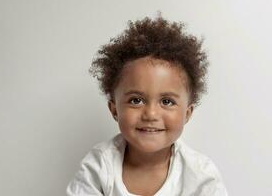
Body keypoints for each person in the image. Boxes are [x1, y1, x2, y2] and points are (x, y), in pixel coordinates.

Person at [66, 14, 228, 196]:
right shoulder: (100, 165)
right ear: (114, 110)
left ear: (187, 113)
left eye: (167, 101)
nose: (151, 114)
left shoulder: (200, 175)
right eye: (136, 100)